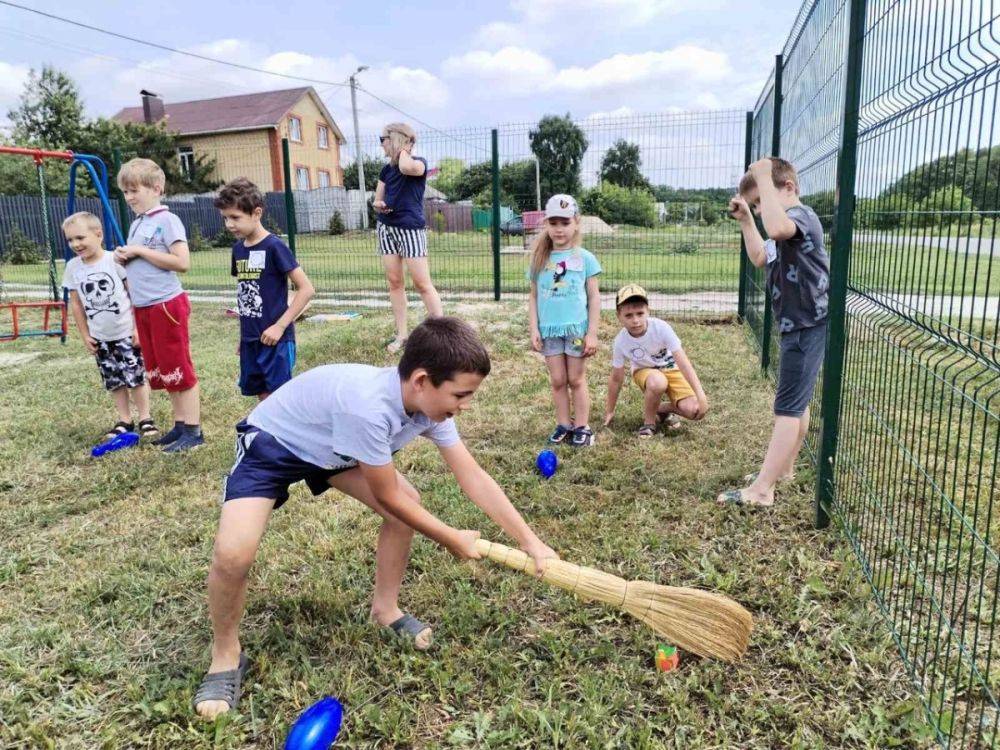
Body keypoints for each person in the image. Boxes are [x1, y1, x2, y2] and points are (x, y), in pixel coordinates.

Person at [192, 317, 557, 719]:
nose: (465, 405)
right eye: (461, 394)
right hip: (276, 445)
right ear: (422, 380)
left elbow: (472, 476)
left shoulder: (429, 410)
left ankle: (385, 610)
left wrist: (529, 540)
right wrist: (451, 537)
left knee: (408, 503)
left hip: (335, 448)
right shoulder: (368, 408)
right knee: (233, 555)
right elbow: (387, 496)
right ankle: (225, 654)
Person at [720, 156, 830, 507]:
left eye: (763, 199)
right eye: (756, 203)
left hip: (805, 325)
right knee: (796, 404)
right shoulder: (782, 223)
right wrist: (746, 220)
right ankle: (784, 469)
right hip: (799, 324)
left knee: (786, 408)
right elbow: (759, 257)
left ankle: (762, 490)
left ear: (789, 188)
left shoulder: (800, 218)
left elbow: (778, 228)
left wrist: (763, 178)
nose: (760, 207)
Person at [113, 158, 203, 452]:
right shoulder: (139, 224)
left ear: (156, 188)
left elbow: (182, 262)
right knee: (164, 370)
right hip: (144, 307)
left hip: (166, 306)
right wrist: (125, 257)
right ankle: (179, 426)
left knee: (179, 368)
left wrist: (139, 250)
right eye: (125, 192)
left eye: (134, 190)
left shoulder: (167, 220)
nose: (129, 198)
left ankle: (194, 430)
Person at [215, 178, 315, 400]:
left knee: (279, 398)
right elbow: (247, 292)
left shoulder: (274, 246)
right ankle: (266, 434)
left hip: (276, 340)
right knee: (262, 395)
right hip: (251, 339)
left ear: (257, 213)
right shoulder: (238, 250)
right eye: (225, 218)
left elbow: (306, 289)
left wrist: (279, 327)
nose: (229, 224)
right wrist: (245, 337)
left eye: (235, 217)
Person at [61, 211, 158, 440]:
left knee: (135, 377)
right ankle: (125, 420)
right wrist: (85, 335)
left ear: (98, 234)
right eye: (70, 240)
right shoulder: (73, 267)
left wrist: (137, 329)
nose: (75, 244)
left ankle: (145, 418)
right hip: (100, 336)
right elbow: (76, 305)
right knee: (114, 380)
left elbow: (133, 293)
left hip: (125, 331)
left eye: (80, 238)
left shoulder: (114, 259)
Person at [527, 194, 602, 447]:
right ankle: (563, 424)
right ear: (546, 224)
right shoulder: (539, 259)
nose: (559, 229)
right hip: (549, 331)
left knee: (576, 379)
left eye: (565, 223)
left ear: (576, 223)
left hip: (576, 330)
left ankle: (582, 427)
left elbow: (594, 298)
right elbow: (534, 296)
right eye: (554, 223)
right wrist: (534, 328)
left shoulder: (585, 258)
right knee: (558, 380)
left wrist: (592, 333)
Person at [373, 122, 443, 353]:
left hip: (411, 229)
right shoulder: (385, 170)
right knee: (395, 282)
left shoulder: (418, 163)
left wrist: (403, 149)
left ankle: (442, 335)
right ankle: (402, 334)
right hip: (387, 228)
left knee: (422, 284)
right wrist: (379, 205)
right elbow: (377, 198)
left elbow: (405, 168)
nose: (381, 144)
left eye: (383, 139)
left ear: (394, 139)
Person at [603, 284, 708, 437]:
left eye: (640, 313)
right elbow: (616, 378)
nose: (636, 320)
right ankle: (649, 423)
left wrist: (700, 395)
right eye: (628, 315)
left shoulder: (661, 328)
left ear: (648, 311)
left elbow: (683, 363)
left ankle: (662, 409)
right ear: (619, 315)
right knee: (658, 381)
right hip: (645, 372)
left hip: (671, 367)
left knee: (695, 411)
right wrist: (610, 410)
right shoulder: (620, 341)